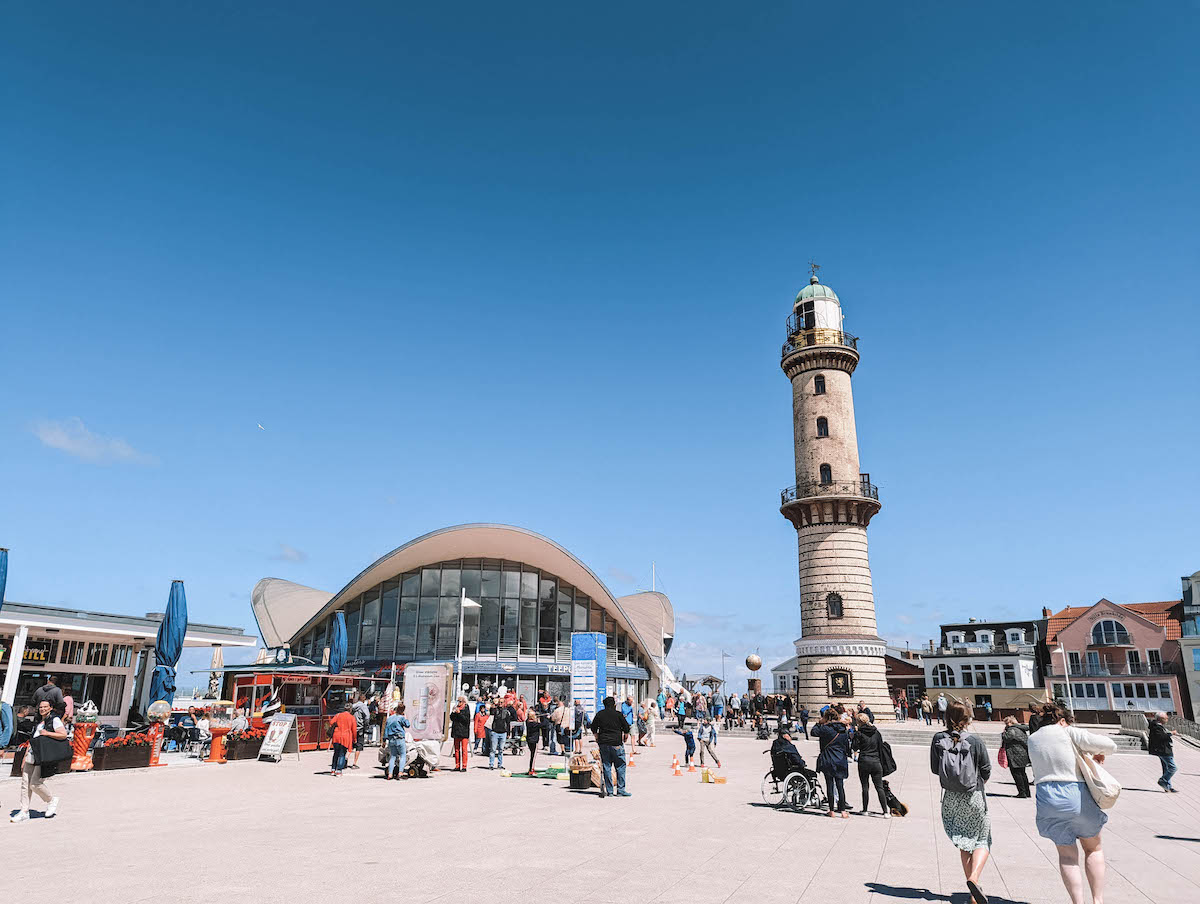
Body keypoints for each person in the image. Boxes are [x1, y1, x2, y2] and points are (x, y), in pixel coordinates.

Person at [1028, 702, 1118, 904]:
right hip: (1074, 791)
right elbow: (1109, 745)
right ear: (1062, 720)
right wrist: (1095, 752)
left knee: (1066, 855)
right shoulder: (1066, 731)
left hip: (1046, 796)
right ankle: (1097, 900)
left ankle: (1078, 902)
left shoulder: (1033, 739)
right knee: (1093, 848)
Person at [931, 701, 992, 904]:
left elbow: (934, 768)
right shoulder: (975, 740)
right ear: (967, 720)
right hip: (973, 794)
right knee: (982, 839)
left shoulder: (938, 739)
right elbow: (986, 769)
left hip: (951, 797)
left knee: (964, 842)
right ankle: (974, 880)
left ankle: (972, 888)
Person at [11, 700, 67, 823]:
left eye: (45, 707)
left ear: (50, 708)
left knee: (35, 783)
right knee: (25, 783)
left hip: (43, 756)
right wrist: (25, 756)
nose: (42, 709)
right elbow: (32, 740)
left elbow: (63, 734)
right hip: (32, 753)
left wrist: (47, 733)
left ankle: (51, 800)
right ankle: (24, 811)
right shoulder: (38, 721)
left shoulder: (54, 720)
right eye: (40, 707)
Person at [590, 696, 632, 798]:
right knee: (620, 766)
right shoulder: (618, 715)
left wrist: (596, 737)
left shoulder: (600, 714)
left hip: (604, 743)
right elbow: (626, 727)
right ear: (614, 705)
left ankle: (609, 791)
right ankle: (620, 790)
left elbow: (593, 727)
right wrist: (625, 737)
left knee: (607, 766)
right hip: (616, 743)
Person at [812, 711, 852, 818]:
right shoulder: (843, 730)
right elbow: (847, 747)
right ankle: (843, 811)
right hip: (840, 759)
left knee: (830, 785)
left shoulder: (825, 729)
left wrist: (819, 723)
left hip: (828, 759)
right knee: (840, 786)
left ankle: (831, 810)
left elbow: (813, 732)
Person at [851, 713, 890, 818]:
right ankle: (885, 811)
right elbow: (880, 746)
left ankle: (865, 810)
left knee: (865, 787)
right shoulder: (876, 732)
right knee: (879, 787)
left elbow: (854, 747)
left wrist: (854, 734)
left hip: (864, 761)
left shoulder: (859, 733)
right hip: (876, 761)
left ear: (859, 722)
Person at [1000, 716, 1032, 798]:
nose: (1006, 725)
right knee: (1023, 774)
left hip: (1015, 754)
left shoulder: (1011, 730)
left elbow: (1006, 738)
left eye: (1006, 723)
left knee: (1017, 774)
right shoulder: (1021, 728)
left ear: (1010, 723)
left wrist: (1003, 733)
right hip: (1022, 753)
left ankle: (1022, 792)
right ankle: (1027, 792)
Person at [1148, 711, 1178, 793]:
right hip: (1163, 750)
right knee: (1173, 768)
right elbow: (1161, 737)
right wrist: (1171, 733)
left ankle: (1167, 786)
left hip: (1164, 749)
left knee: (1166, 768)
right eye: (1166, 718)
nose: (1167, 719)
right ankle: (1163, 780)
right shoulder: (1156, 727)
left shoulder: (1159, 726)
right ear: (1160, 719)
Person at [329, 702, 357, 777]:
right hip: (345, 736)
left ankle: (333, 769)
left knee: (336, 753)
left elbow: (331, 722)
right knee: (342, 754)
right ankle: (339, 771)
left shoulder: (338, 715)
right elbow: (354, 730)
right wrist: (355, 739)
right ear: (350, 709)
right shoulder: (352, 718)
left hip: (336, 735)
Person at [384, 703, 410, 780]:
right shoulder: (401, 718)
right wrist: (405, 718)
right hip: (399, 738)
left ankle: (390, 774)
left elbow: (386, 730)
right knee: (402, 755)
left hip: (391, 739)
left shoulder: (390, 718)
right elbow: (407, 725)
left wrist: (384, 740)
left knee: (393, 756)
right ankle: (400, 772)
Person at [488, 700, 514, 770]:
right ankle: (491, 764)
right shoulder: (495, 710)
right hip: (495, 732)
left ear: (504, 703)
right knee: (493, 749)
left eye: (502, 702)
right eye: (499, 702)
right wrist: (493, 704)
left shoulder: (506, 712)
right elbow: (491, 712)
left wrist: (508, 733)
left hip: (503, 733)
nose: (500, 704)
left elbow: (508, 723)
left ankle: (500, 764)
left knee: (501, 750)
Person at [449, 696, 471, 772]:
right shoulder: (456, 708)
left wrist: (459, 713)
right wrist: (453, 712)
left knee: (464, 749)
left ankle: (464, 766)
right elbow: (451, 718)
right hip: (456, 731)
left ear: (464, 702)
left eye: (460, 701)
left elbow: (466, 720)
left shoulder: (466, 709)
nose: (458, 703)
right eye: (458, 701)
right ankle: (457, 765)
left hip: (464, 732)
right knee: (457, 750)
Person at [351, 694, 370, 769]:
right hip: (360, 728)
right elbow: (367, 717)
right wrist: (366, 725)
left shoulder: (353, 706)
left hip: (352, 728)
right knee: (359, 746)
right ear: (364, 700)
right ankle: (354, 763)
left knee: (350, 745)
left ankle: (345, 759)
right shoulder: (363, 706)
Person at [524, 705, 542, 775]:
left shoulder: (527, 722)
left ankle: (531, 768)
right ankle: (531, 769)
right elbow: (544, 725)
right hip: (534, 740)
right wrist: (538, 719)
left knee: (532, 754)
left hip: (529, 739)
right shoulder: (534, 724)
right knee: (533, 756)